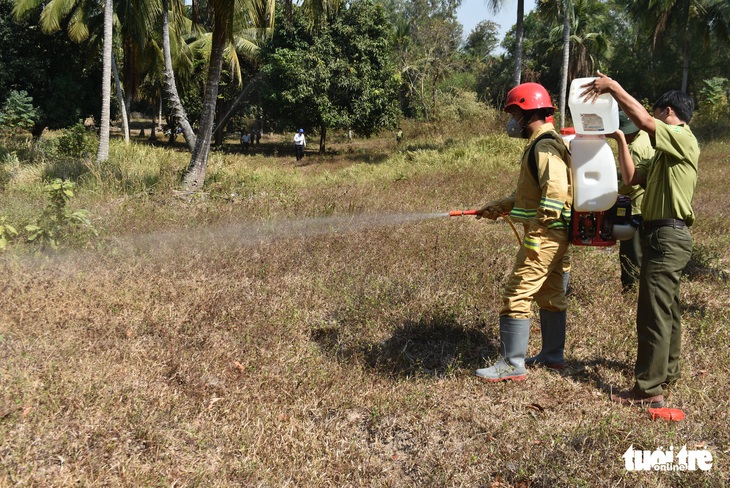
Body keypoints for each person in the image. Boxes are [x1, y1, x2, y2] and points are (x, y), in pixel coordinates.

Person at [582, 71, 699, 408]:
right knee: (668, 309)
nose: (654, 118)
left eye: (658, 112)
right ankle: (668, 372)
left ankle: (649, 389)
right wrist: (619, 139)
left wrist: (615, 87)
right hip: (662, 235)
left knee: (653, 313)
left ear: (669, 112)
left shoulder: (683, 138)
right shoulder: (667, 154)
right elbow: (633, 178)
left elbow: (645, 120)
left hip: (669, 233)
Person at [475, 83, 573, 382]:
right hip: (557, 234)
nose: (511, 121)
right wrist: (501, 205)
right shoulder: (546, 142)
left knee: (516, 293)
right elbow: (532, 194)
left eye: (514, 113)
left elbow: (555, 188)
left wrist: (541, 226)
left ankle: (511, 364)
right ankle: (552, 356)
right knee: (551, 295)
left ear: (528, 112)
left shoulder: (543, 145)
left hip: (544, 234)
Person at [608, 111, 654, 292]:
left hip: (634, 209)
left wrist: (607, 191)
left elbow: (629, 184)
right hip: (648, 206)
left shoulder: (633, 148)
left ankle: (632, 290)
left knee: (631, 254)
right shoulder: (646, 138)